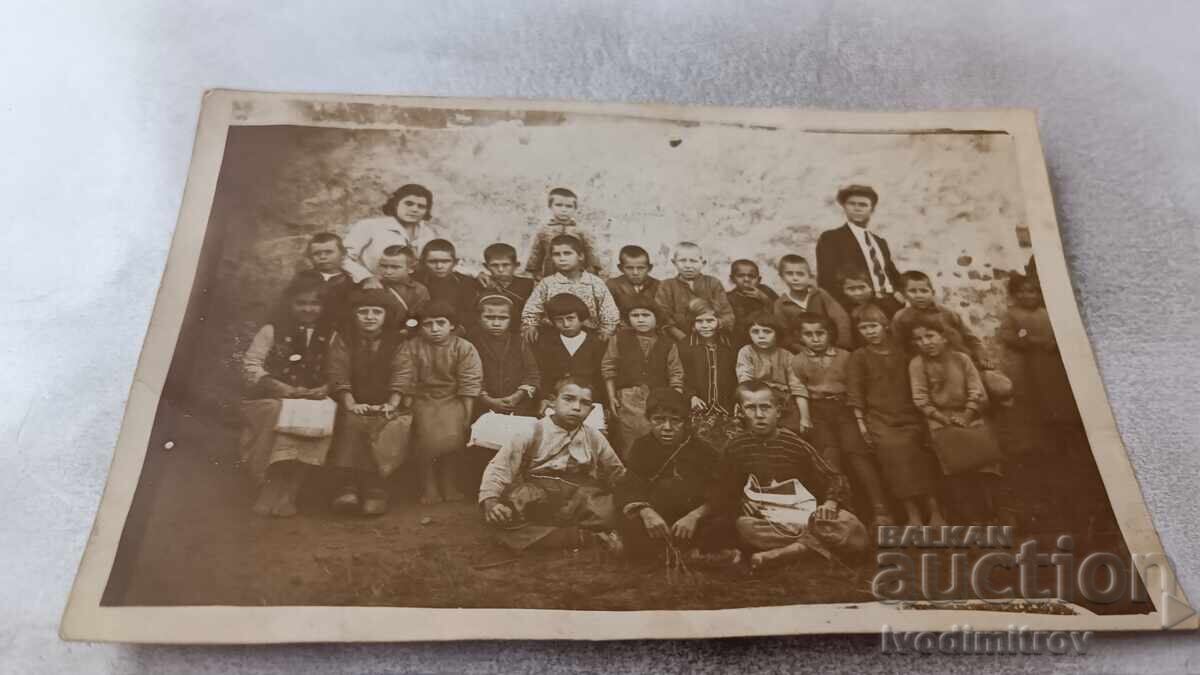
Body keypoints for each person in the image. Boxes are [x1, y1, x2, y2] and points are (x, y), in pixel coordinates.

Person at [708, 380, 866, 569]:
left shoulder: (794, 444)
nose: (759, 415)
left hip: (803, 515)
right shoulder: (735, 447)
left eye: (765, 407)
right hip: (766, 518)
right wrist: (742, 502)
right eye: (750, 408)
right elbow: (723, 489)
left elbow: (833, 477)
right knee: (744, 526)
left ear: (778, 411)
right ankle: (808, 549)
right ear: (740, 412)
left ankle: (785, 552)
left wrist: (830, 503)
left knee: (852, 527)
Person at [478, 377, 626, 552]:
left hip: (580, 496)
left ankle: (561, 536)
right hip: (539, 497)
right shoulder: (532, 430)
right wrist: (490, 501)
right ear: (552, 402)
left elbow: (617, 472)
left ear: (591, 409)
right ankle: (582, 537)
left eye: (585, 403)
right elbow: (500, 467)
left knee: (613, 511)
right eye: (568, 399)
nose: (576, 407)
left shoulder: (594, 437)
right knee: (505, 516)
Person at [239, 277, 336, 517]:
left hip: (312, 397)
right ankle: (270, 485)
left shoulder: (332, 334)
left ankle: (291, 489)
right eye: (301, 303)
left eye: (315, 303)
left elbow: (340, 370)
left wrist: (326, 388)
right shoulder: (271, 330)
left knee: (318, 413)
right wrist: (276, 385)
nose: (308, 309)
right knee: (275, 411)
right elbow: (251, 364)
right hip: (273, 396)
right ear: (290, 303)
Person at [845, 304, 944, 528]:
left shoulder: (903, 351)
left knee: (920, 454)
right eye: (863, 328)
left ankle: (935, 509)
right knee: (893, 457)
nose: (870, 332)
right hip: (880, 420)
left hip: (910, 415)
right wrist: (861, 424)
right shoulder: (859, 357)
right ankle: (912, 513)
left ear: (885, 325)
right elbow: (855, 392)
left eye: (873, 326)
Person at [616, 388, 738, 563]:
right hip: (658, 521)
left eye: (675, 421)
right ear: (649, 420)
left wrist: (694, 516)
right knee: (628, 522)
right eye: (659, 420)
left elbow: (722, 491)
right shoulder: (641, 447)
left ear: (686, 422)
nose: (667, 428)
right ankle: (689, 555)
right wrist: (647, 512)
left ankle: (669, 553)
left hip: (693, 521)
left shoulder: (704, 451)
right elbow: (630, 485)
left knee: (724, 522)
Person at [908, 315, 1003, 524]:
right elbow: (920, 398)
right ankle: (972, 519)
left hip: (970, 414)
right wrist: (944, 418)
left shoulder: (961, 359)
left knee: (986, 464)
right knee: (956, 469)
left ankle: (996, 512)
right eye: (919, 339)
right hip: (940, 419)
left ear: (943, 337)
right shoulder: (917, 364)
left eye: (930, 336)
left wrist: (967, 414)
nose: (926, 342)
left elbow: (976, 389)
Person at [326, 289, 411, 516]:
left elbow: (403, 372)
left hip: (388, 402)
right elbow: (338, 371)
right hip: (351, 401)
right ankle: (348, 486)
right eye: (363, 312)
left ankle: (376, 487)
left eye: (376, 312)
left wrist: (392, 403)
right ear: (354, 314)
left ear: (386, 315)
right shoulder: (344, 339)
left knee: (386, 425)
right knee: (352, 423)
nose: (370, 317)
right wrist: (350, 402)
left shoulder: (398, 341)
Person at [395, 300, 484, 504]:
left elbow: (470, 381)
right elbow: (405, 376)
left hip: (453, 399)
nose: (434, 329)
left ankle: (449, 483)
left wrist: (467, 414)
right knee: (425, 437)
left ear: (451, 325)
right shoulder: (411, 347)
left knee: (455, 437)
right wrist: (408, 405)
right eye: (428, 324)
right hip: (422, 399)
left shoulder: (463, 347)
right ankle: (429, 485)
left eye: (440, 323)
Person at [601, 298, 685, 456]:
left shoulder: (668, 343)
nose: (640, 320)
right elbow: (608, 368)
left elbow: (676, 374)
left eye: (646, 315)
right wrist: (612, 397)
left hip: (658, 399)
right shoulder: (619, 339)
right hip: (627, 398)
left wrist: (674, 400)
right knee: (628, 439)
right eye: (635, 315)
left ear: (656, 318)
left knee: (655, 438)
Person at [787, 313, 864, 473]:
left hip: (845, 407)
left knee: (855, 451)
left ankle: (873, 490)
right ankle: (837, 488)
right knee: (829, 452)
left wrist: (859, 418)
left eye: (820, 333)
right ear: (800, 337)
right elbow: (799, 390)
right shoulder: (798, 361)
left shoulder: (845, 356)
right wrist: (805, 418)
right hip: (818, 410)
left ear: (830, 333)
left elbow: (855, 387)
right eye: (808, 334)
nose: (815, 339)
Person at [815, 184, 905, 315]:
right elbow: (826, 279)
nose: (857, 208)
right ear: (844, 207)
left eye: (863, 205)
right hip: (857, 306)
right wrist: (848, 308)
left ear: (872, 209)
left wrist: (900, 292)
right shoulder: (831, 238)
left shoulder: (880, 242)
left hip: (892, 303)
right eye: (852, 204)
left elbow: (892, 273)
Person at [521, 234, 620, 340]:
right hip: (554, 335)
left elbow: (609, 311)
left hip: (589, 335)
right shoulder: (546, 284)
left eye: (567, 253)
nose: (562, 258)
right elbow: (532, 309)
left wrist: (606, 330)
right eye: (557, 254)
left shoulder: (595, 283)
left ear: (580, 256)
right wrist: (531, 326)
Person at [342, 183, 440, 287]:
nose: (414, 209)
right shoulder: (369, 226)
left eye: (421, 206)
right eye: (409, 204)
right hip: (375, 287)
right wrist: (366, 278)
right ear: (396, 204)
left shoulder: (428, 233)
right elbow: (342, 257)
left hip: (415, 289)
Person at [469, 295, 541, 418]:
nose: (496, 323)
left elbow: (532, 374)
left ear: (511, 319)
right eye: (489, 317)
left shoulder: (520, 342)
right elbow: (467, 377)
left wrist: (517, 396)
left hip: (517, 406)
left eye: (503, 318)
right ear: (479, 318)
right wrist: (488, 400)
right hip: (481, 407)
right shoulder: (470, 343)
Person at [533, 293, 607, 408]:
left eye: (570, 318)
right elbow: (542, 375)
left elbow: (601, 377)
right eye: (559, 320)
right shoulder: (545, 342)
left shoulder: (597, 342)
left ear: (581, 318)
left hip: (589, 400)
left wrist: (602, 404)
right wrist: (544, 397)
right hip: (554, 400)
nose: (566, 324)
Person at [654, 241, 736, 343]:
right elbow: (662, 315)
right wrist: (682, 338)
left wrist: (715, 324)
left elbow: (727, 315)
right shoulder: (666, 285)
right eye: (682, 260)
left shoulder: (713, 283)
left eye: (693, 261)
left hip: (711, 338)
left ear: (703, 263)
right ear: (674, 262)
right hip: (678, 339)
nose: (688, 265)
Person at [735, 311, 802, 433]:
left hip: (784, 403)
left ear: (777, 333)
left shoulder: (787, 356)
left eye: (767, 332)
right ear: (748, 334)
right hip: (757, 400)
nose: (761, 336)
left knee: (790, 432)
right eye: (755, 332)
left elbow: (798, 387)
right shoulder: (747, 352)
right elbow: (745, 380)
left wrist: (805, 417)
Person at [773, 254, 852, 352]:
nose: (795, 278)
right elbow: (785, 335)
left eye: (800, 274)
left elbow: (841, 317)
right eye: (790, 274)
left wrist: (842, 345)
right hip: (803, 351)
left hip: (831, 347)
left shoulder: (820, 294)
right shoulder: (780, 304)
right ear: (782, 277)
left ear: (809, 276)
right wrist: (804, 351)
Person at [523, 187, 606, 280]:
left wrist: (592, 269)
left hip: (577, 274)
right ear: (550, 206)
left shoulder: (581, 230)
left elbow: (591, 251)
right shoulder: (544, 231)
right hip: (551, 273)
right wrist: (535, 271)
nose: (564, 209)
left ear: (575, 208)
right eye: (559, 205)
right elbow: (536, 252)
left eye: (569, 206)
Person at [678, 299, 738, 414]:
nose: (705, 326)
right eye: (699, 321)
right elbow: (679, 376)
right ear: (692, 323)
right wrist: (691, 397)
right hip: (696, 407)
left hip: (727, 407)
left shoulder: (731, 345)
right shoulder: (684, 346)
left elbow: (736, 376)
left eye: (710, 321)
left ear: (719, 321)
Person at [413, 239, 482, 334]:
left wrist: (457, 329)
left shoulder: (466, 283)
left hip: (456, 331)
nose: (439, 266)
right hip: (423, 330)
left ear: (455, 262)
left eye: (445, 261)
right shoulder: (415, 281)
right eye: (432, 262)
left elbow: (470, 313)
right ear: (423, 262)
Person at [290, 232, 354, 330]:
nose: (323, 257)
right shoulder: (302, 278)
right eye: (316, 253)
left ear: (343, 254)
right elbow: (284, 305)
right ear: (310, 257)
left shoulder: (350, 281)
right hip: (306, 329)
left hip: (339, 330)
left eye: (329, 252)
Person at [369, 244, 429, 334]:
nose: (388, 272)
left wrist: (407, 329)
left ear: (411, 269)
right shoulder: (373, 286)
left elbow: (418, 317)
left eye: (395, 267)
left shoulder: (419, 290)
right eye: (384, 266)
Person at [476, 242, 534, 328]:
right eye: (494, 265)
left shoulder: (528, 284)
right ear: (486, 266)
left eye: (506, 265)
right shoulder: (481, 284)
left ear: (516, 265)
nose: (500, 269)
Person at [726, 259, 779, 349]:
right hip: (742, 341)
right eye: (740, 276)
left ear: (759, 279)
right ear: (732, 279)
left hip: (768, 338)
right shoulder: (729, 297)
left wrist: (765, 299)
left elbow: (781, 313)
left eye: (751, 276)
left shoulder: (765, 291)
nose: (746, 279)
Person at [606, 244, 661, 320]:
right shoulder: (612, 286)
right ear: (620, 268)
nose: (635, 273)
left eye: (641, 268)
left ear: (649, 268)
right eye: (629, 268)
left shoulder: (659, 286)